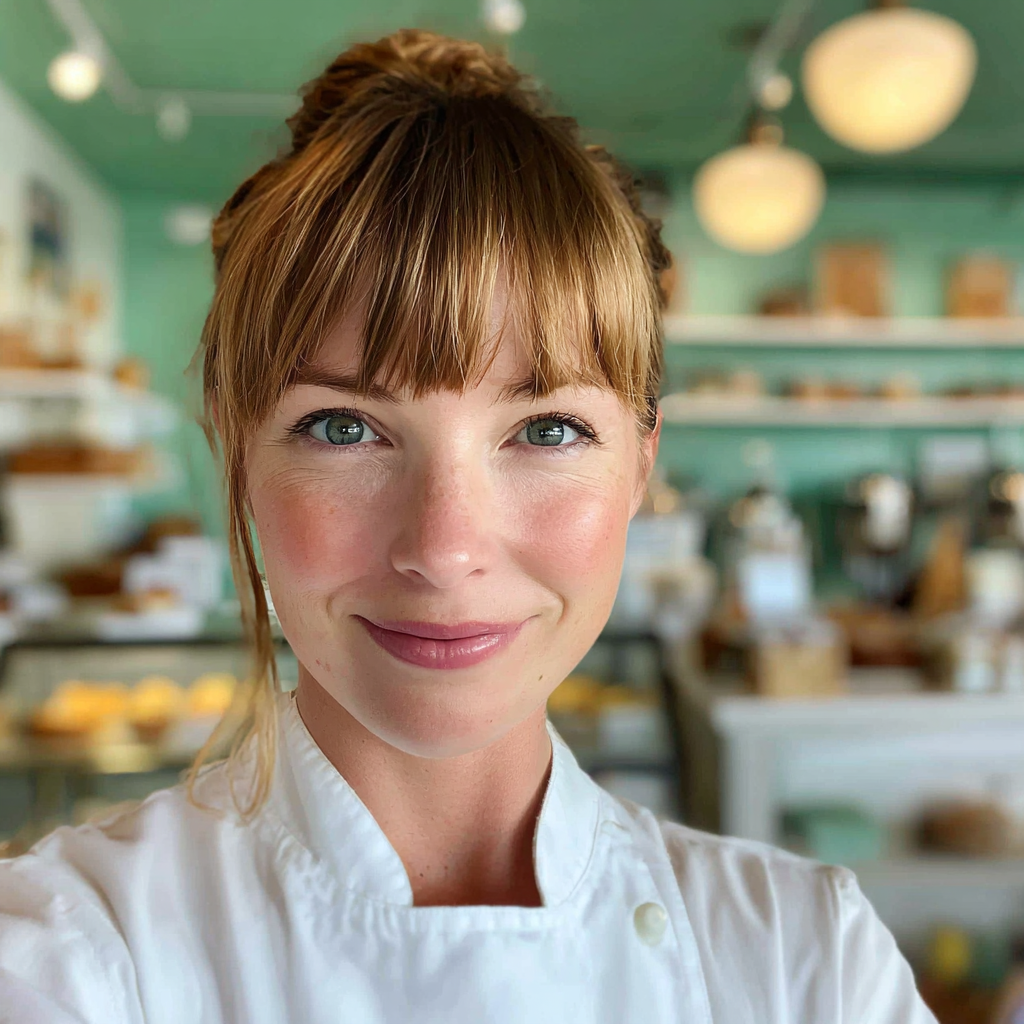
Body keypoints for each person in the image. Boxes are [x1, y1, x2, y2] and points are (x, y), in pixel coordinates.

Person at [0, 29, 936, 1024]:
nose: (444, 549)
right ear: (232, 448)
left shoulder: (809, 964)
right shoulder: (74, 955)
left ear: (640, 465)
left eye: (547, 428)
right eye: (344, 426)